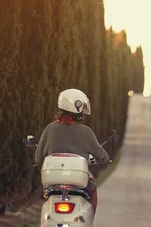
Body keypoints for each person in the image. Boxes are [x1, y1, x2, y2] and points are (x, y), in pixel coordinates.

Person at [35, 88, 109, 217]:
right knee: (92, 189)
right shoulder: (86, 132)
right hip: (78, 181)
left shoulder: (50, 128)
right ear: (77, 108)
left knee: (49, 194)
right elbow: (103, 157)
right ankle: (89, 225)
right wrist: (104, 158)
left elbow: (37, 158)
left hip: (53, 181)